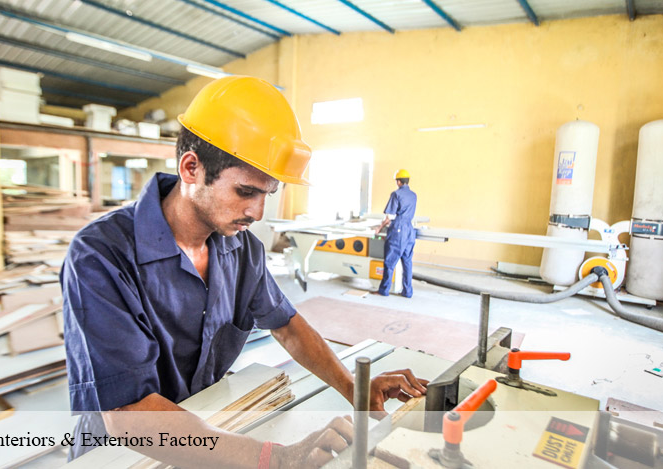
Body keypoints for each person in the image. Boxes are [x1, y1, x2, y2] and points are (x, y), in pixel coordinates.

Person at [61, 76, 427, 467]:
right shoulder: (101, 256)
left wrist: (354, 388)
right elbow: (129, 413)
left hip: (202, 434)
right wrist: (276, 459)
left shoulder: (242, 249)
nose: (257, 213)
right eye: (245, 191)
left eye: (267, 194)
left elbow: (287, 326)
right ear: (191, 168)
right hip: (116, 452)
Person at [375, 170, 417, 298]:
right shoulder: (413, 195)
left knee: (390, 262)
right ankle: (408, 292)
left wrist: (379, 228)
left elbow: (390, 216)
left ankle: (384, 290)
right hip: (410, 230)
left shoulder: (396, 194)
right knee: (407, 262)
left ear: (398, 181)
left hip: (398, 230)